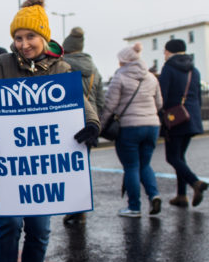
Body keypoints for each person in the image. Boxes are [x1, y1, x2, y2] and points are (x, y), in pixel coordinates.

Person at [0, 0, 100, 262]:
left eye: (30, 36)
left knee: (41, 231)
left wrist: (92, 125)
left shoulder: (61, 67)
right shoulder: (2, 64)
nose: (23, 43)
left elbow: (81, 104)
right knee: (10, 223)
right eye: (18, 37)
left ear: (44, 37)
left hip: (41, 168)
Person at [100, 43, 162, 217]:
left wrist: (100, 126)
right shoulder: (151, 77)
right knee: (145, 164)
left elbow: (110, 106)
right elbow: (159, 104)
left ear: (124, 61)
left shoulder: (120, 76)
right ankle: (154, 194)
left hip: (129, 127)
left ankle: (134, 207)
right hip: (152, 126)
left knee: (131, 166)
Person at [61, 27, 105, 224]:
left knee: (66, 166)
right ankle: (81, 207)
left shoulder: (62, 65)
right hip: (90, 120)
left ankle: (74, 207)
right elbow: (102, 100)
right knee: (82, 165)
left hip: (68, 121)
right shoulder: (94, 68)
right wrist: (96, 120)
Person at [159, 39, 207, 207]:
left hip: (175, 118)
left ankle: (195, 183)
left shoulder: (168, 68)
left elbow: (162, 96)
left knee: (172, 157)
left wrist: (160, 115)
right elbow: (199, 97)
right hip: (192, 117)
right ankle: (181, 195)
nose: (164, 55)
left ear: (170, 51)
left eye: (165, 51)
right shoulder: (195, 69)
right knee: (180, 157)